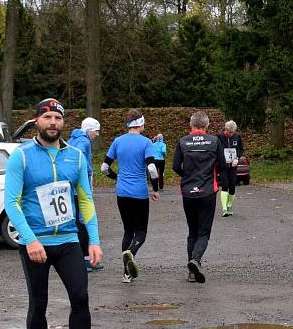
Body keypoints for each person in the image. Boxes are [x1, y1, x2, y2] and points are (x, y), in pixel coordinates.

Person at [4, 98, 109, 329]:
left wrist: (94, 240)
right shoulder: (22, 156)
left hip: (67, 241)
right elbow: (11, 203)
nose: (53, 122)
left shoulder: (75, 156)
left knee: (81, 297)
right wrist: (30, 240)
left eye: (57, 118)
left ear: (64, 123)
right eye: (47, 117)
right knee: (39, 303)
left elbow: (86, 200)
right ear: (36, 121)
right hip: (35, 244)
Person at [101, 109, 160, 283]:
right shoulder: (146, 142)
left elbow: (104, 168)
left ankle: (126, 273)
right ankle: (131, 253)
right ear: (141, 124)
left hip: (122, 192)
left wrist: (116, 177)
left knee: (128, 230)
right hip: (139, 193)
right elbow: (151, 168)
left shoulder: (118, 141)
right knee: (140, 231)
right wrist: (155, 189)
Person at [173, 110, 228, 283]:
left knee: (192, 232)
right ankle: (195, 260)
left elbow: (175, 166)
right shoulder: (214, 141)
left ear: (191, 124)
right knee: (203, 233)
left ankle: (191, 271)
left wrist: (187, 175)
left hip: (188, 192)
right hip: (207, 191)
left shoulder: (183, 142)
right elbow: (223, 164)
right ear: (207, 125)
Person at [68, 117, 104, 271]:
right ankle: (86, 259)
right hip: (81, 185)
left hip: (71, 187)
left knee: (76, 220)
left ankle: (80, 259)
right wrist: (84, 171)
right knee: (85, 221)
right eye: (96, 131)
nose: (97, 134)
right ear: (89, 130)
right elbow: (79, 155)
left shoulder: (72, 138)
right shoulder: (84, 141)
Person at [217, 120, 245, 217]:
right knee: (225, 185)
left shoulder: (237, 136)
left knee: (232, 186)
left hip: (233, 166)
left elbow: (241, 149)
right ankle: (224, 208)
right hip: (223, 166)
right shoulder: (218, 137)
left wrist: (237, 158)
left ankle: (229, 205)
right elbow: (215, 151)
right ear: (225, 129)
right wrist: (220, 161)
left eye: (232, 133)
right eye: (228, 132)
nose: (230, 134)